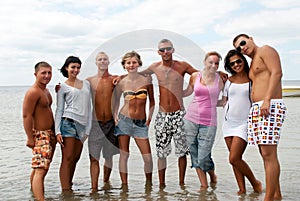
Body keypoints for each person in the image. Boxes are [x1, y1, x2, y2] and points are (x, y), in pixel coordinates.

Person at [139, 39, 199, 189]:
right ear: (158, 52)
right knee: (161, 152)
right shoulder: (155, 67)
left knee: (182, 152)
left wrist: (189, 89)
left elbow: (198, 74)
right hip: (162, 115)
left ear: (173, 50)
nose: (165, 52)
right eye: (162, 50)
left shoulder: (182, 65)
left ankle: (181, 184)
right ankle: (161, 185)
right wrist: (117, 79)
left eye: (168, 49)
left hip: (179, 114)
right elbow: (135, 74)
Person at [233, 34, 287, 201]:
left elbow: (277, 73)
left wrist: (268, 100)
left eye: (243, 43)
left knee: (268, 154)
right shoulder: (251, 62)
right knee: (264, 154)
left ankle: (269, 198)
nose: (242, 48)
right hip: (258, 109)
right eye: (238, 48)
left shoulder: (265, 50)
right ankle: (276, 194)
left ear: (250, 38)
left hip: (269, 106)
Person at [222, 49, 262, 195]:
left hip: (244, 123)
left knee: (234, 157)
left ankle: (255, 183)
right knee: (234, 160)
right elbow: (224, 100)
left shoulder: (252, 80)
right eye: (232, 63)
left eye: (238, 61)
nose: (236, 64)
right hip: (228, 123)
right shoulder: (228, 81)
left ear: (243, 61)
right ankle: (242, 189)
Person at [113, 51, 155, 191]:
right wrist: (115, 115)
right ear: (124, 65)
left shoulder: (147, 80)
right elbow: (116, 101)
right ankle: (124, 187)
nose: (131, 65)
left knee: (147, 158)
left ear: (139, 63)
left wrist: (150, 116)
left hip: (141, 123)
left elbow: (152, 102)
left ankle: (148, 185)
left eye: (134, 62)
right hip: (124, 121)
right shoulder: (121, 82)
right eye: (128, 63)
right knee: (124, 155)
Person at [183, 51, 224, 191]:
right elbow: (187, 93)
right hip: (190, 119)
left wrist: (219, 103)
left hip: (209, 122)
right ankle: (204, 185)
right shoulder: (195, 76)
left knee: (204, 156)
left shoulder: (222, 79)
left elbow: (224, 100)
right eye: (210, 62)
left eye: (216, 63)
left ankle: (212, 174)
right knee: (194, 153)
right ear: (204, 62)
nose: (213, 65)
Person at [55, 56, 92, 192]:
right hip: (68, 123)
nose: (75, 70)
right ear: (67, 68)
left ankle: (69, 186)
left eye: (78, 67)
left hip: (82, 126)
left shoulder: (86, 84)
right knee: (68, 158)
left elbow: (89, 107)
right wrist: (57, 131)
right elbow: (59, 109)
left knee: (76, 158)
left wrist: (87, 129)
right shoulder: (62, 87)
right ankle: (66, 192)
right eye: (73, 67)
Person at [22, 61, 57, 201]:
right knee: (40, 170)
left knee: (41, 168)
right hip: (40, 135)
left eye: (49, 72)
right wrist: (30, 138)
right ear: (36, 74)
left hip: (49, 134)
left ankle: (33, 194)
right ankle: (40, 198)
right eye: (43, 73)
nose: (47, 76)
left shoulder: (46, 90)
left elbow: (48, 112)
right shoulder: (33, 92)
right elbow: (26, 115)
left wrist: (54, 133)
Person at [86, 52, 119, 192]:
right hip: (95, 123)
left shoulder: (114, 80)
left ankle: (106, 183)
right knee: (94, 158)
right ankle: (94, 189)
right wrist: (60, 89)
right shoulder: (89, 81)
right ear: (96, 63)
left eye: (105, 59)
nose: (103, 61)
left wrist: (116, 114)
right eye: (100, 59)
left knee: (109, 156)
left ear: (109, 61)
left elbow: (118, 98)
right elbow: (77, 92)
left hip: (111, 123)